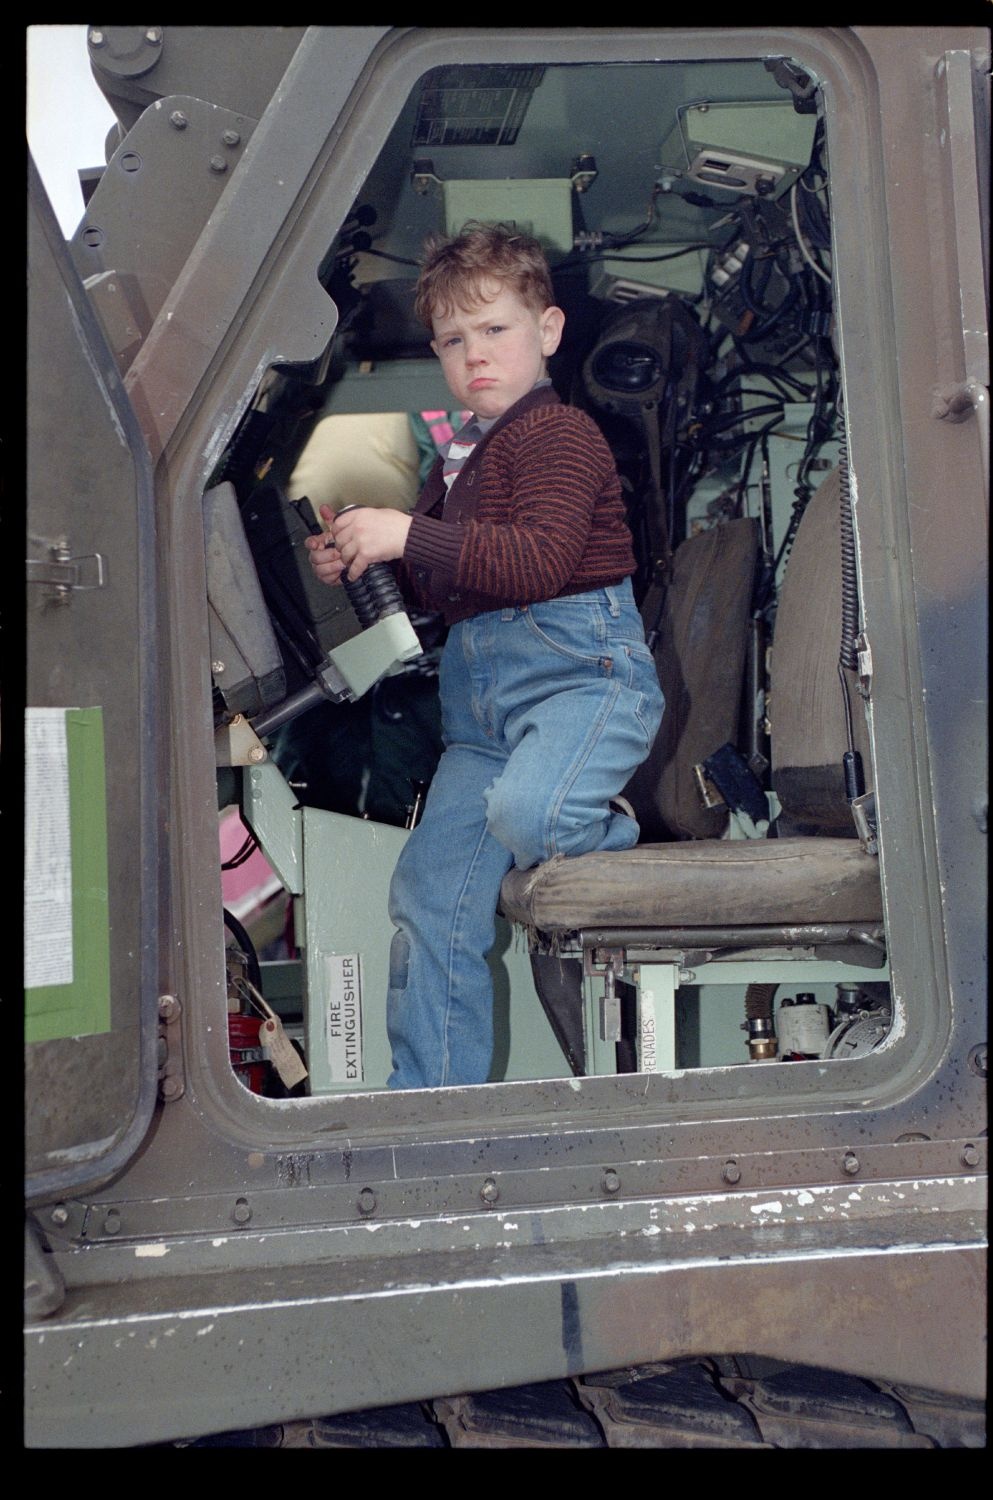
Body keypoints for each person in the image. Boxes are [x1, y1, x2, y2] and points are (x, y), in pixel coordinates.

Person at [306, 221, 664, 1088]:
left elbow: (535, 561)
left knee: (532, 818)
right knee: (430, 899)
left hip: (580, 684)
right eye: (453, 341)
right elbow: (457, 590)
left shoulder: (560, 435)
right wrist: (372, 558)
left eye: (495, 331)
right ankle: (427, 1103)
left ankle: (612, 828)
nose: (475, 356)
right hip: (484, 721)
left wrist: (409, 532)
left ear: (545, 332)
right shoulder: (462, 458)